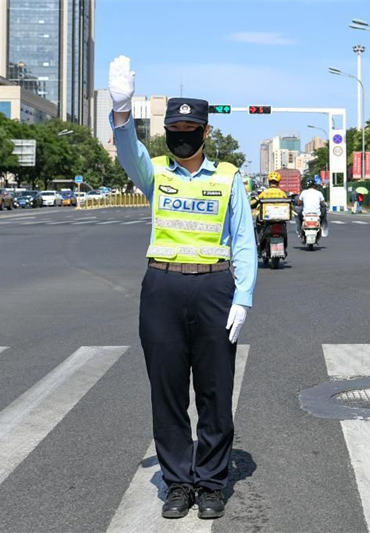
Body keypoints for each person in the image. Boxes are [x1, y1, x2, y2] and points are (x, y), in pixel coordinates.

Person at [109, 56, 257, 520]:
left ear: (206, 132)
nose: (182, 134)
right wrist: (121, 110)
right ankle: (178, 482)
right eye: (175, 127)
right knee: (167, 390)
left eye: (191, 127)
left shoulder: (230, 177)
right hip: (162, 288)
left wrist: (243, 297)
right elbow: (126, 148)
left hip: (214, 286)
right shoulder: (155, 172)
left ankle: (211, 483)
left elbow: (247, 244)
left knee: (215, 390)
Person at [252, 172, 290, 249]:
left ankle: (259, 241)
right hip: (280, 219)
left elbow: (254, 202)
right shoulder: (283, 193)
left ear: (269, 182)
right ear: (278, 183)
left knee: (258, 223)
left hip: (266, 219)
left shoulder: (264, 193)